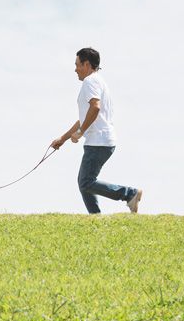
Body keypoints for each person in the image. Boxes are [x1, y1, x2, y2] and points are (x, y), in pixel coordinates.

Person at [50, 47, 142, 214]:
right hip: (102, 140)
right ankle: (95, 216)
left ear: (86, 64)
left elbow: (95, 107)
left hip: (98, 141)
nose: (75, 69)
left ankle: (129, 194)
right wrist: (62, 139)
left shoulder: (90, 81)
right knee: (84, 182)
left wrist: (80, 132)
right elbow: (84, 117)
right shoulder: (98, 81)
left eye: (77, 64)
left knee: (85, 182)